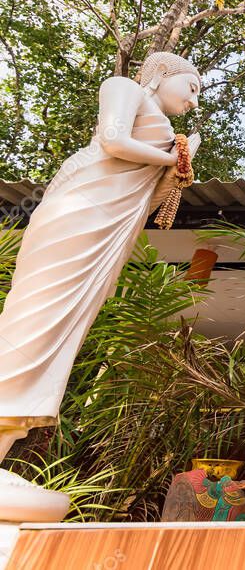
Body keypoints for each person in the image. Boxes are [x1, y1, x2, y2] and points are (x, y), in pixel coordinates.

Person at [0, 52, 201, 521]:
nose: (193, 101)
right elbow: (112, 141)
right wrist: (169, 154)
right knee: (33, 318)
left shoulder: (172, 139)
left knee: (56, 335)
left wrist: (175, 169)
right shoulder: (124, 89)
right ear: (164, 74)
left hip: (106, 229)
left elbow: (148, 203)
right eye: (190, 88)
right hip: (77, 211)